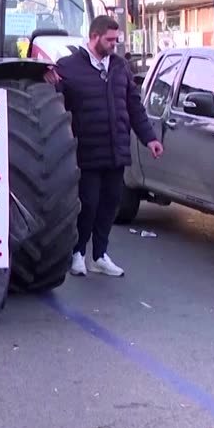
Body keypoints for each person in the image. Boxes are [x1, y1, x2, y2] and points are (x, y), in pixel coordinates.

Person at [44, 15, 162, 278]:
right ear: (94, 37)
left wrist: (149, 138)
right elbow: (55, 100)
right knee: (88, 204)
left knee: (110, 204)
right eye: (109, 40)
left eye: (116, 40)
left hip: (116, 151)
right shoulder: (69, 66)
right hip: (86, 151)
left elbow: (134, 106)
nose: (113, 44)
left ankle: (100, 255)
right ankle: (77, 254)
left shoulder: (120, 67)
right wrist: (50, 80)